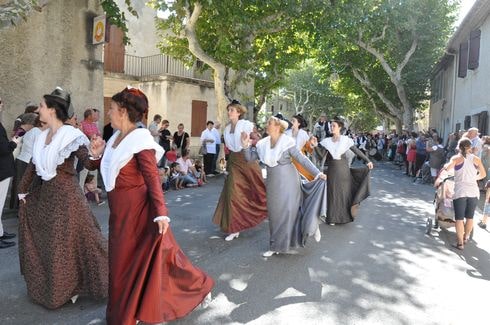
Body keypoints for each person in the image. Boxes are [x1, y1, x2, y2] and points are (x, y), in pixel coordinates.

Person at [94, 87, 213, 324]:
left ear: (124, 112)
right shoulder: (115, 138)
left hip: (139, 213)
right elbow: (104, 170)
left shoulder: (140, 140)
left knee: (142, 261)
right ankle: (130, 309)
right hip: (120, 213)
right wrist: (96, 155)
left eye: (112, 108)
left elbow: (151, 178)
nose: (108, 112)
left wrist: (161, 214)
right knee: (126, 262)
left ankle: (197, 288)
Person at [17, 87, 108, 308]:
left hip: (68, 199)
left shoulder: (72, 136)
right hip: (47, 196)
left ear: (52, 110)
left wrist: (96, 154)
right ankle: (61, 288)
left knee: (76, 243)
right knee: (53, 245)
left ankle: (74, 288)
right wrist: (22, 191)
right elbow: (32, 166)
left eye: (41, 106)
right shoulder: (40, 137)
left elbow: (88, 163)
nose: (38, 109)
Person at [242, 117, 327, 257]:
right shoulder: (262, 144)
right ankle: (276, 245)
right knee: (275, 213)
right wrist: (245, 146)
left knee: (290, 211)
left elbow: (302, 159)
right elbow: (249, 158)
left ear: (277, 127)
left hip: (289, 181)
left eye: (269, 123)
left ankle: (310, 226)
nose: (266, 125)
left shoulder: (287, 142)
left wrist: (318, 173)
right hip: (272, 182)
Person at [212, 100, 267, 241]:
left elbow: (258, 140)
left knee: (256, 191)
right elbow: (226, 149)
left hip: (247, 160)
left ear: (239, 112)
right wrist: (224, 165)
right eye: (228, 110)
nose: (229, 112)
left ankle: (268, 209)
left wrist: (248, 142)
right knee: (233, 194)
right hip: (233, 162)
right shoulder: (226, 128)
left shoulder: (246, 125)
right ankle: (234, 228)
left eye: (232, 110)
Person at [318, 118, 374, 225]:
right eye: (331, 125)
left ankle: (344, 217)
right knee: (333, 193)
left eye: (334, 125)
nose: (331, 127)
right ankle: (332, 218)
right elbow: (321, 156)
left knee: (344, 193)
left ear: (339, 127)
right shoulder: (327, 141)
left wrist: (367, 160)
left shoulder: (345, 140)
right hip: (332, 170)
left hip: (343, 170)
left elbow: (356, 150)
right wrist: (315, 146)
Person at [438, 138, 486, 250]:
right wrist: (473, 178)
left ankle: (460, 243)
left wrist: (446, 166)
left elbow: (447, 169)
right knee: (470, 217)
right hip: (473, 191)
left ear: (459, 147)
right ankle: (465, 237)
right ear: (470, 147)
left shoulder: (456, 158)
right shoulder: (476, 159)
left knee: (459, 219)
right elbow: (483, 174)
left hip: (460, 192)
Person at [0, 95, 20, 249]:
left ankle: (0, 232)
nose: (2, 104)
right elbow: (3, 149)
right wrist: (13, 143)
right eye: (0, 101)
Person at [9, 113, 39, 209]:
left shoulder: (23, 131)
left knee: (18, 185)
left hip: (20, 160)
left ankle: (15, 206)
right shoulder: (24, 131)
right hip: (24, 161)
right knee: (23, 186)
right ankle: (20, 208)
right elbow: (13, 144)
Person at [285, 114, 316, 181]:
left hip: (299, 159)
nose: (291, 122)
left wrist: (312, 145)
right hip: (288, 159)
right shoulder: (286, 133)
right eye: (291, 120)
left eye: (293, 121)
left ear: (298, 123)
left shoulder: (303, 134)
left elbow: (309, 148)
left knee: (301, 179)